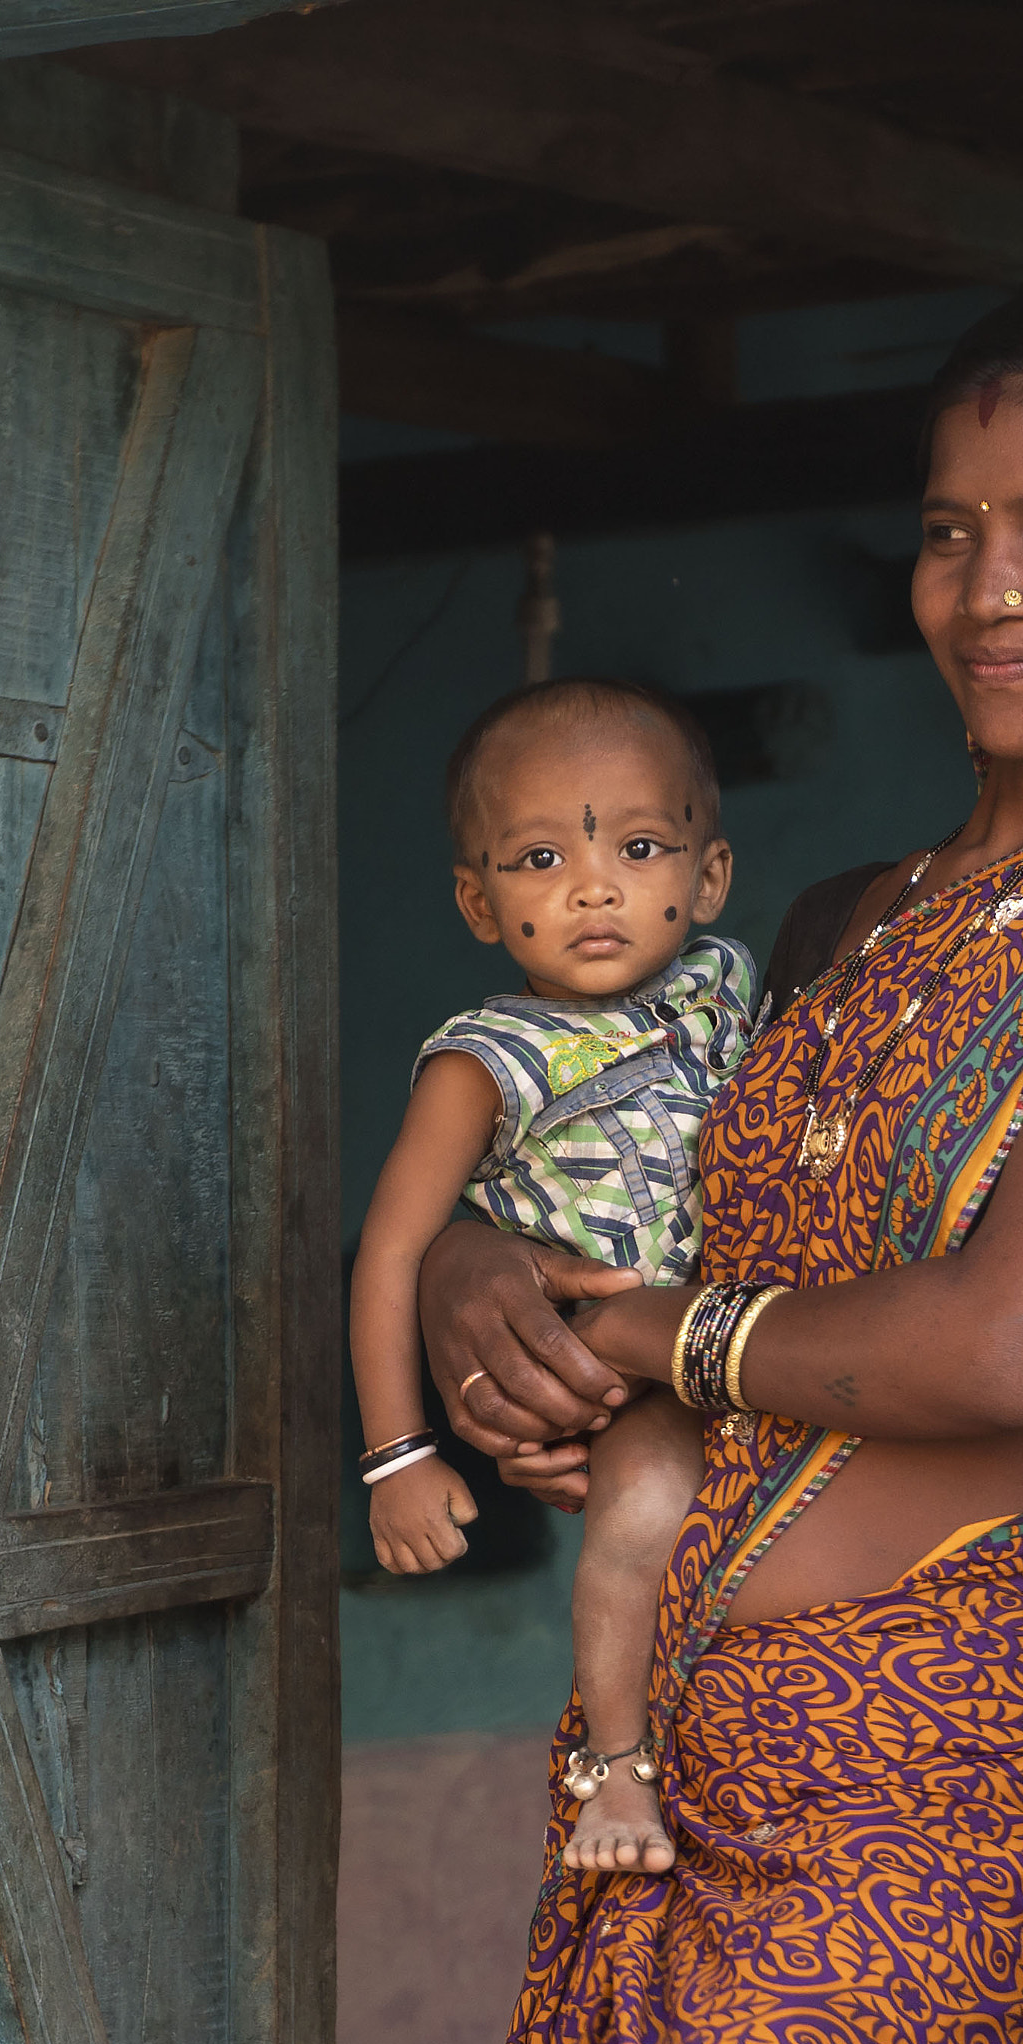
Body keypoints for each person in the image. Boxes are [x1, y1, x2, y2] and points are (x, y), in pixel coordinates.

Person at [419, 279, 1023, 2044]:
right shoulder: (835, 919)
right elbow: (627, 1187)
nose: (989, 592)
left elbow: (1002, 1345)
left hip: (943, 1772)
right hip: (649, 1751)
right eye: (950, 533)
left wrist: (649, 1335)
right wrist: (473, 1267)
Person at [348, 675, 759, 1871]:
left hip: (771, 1350)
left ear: (709, 874)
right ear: (478, 901)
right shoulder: (484, 1062)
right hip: (631, 1377)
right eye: (537, 858)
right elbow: (392, 1252)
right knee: (638, 1522)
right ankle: (621, 1776)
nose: (592, 885)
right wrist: (399, 1455)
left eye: (639, 846)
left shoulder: (727, 986)